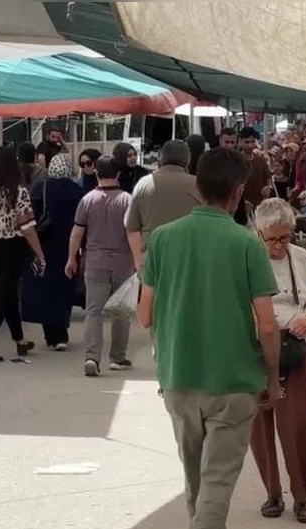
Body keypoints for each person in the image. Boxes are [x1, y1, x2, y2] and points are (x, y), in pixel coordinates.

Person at [137, 148, 281, 529]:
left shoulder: (161, 239)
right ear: (239, 192)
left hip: (178, 378)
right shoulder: (246, 243)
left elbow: (144, 315)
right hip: (233, 381)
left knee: (198, 480)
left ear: (198, 187)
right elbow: (266, 325)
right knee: (216, 483)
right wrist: (272, 378)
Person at [249, 198, 306, 524]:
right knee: (260, 425)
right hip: (254, 349)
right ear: (259, 233)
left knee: (298, 425)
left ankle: (302, 496)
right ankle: (272, 493)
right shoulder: (247, 258)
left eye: (285, 238)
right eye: (272, 239)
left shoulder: (302, 258)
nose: (279, 246)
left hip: (295, 349)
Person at [65, 155, 136, 377]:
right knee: (122, 311)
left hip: (95, 262)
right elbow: (132, 233)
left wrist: (71, 259)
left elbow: (77, 233)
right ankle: (118, 357)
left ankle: (92, 357)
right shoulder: (127, 200)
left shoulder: (87, 200)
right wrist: (138, 261)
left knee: (94, 311)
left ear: (96, 173)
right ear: (118, 174)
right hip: (123, 262)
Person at [0, 147, 47, 362]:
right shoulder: (19, 191)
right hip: (12, 247)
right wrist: (40, 253)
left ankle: (19, 340)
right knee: (1, 294)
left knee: (6, 293)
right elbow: (27, 227)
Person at [25, 154, 84, 351]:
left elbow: (30, 216)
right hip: (68, 248)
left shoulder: (40, 187)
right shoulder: (77, 191)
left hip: (44, 245)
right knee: (63, 290)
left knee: (46, 289)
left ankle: (52, 335)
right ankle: (61, 334)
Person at [125, 139, 201, 271]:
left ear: (161, 158)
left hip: (152, 262)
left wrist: (139, 262)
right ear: (188, 160)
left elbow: (131, 227)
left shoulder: (144, 184)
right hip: (189, 263)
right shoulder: (198, 186)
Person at [238, 127, 272, 212]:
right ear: (240, 142)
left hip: (259, 207)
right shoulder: (236, 162)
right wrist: (241, 202)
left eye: (252, 141)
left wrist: (268, 188)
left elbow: (269, 179)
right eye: (247, 142)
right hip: (240, 207)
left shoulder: (260, 160)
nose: (250, 145)